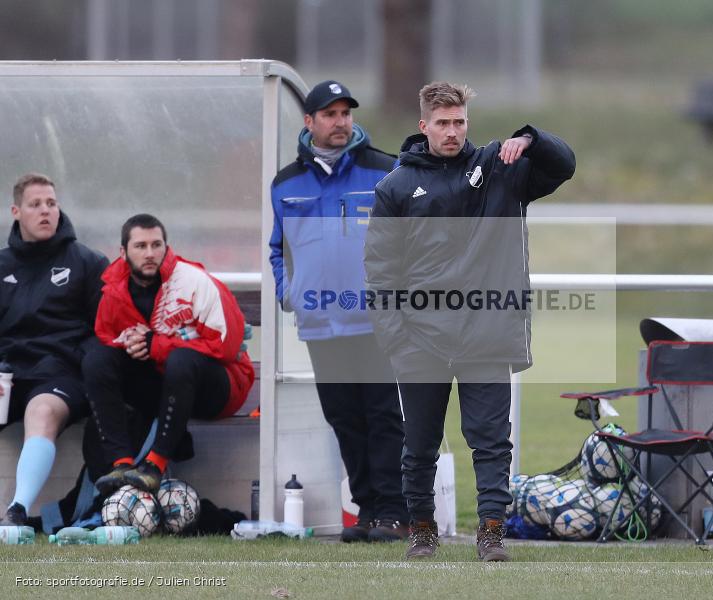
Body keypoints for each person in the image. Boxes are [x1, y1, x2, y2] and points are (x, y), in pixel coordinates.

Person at [365, 82, 576, 561]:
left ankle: (491, 534)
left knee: (491, 443)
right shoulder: (395, 188)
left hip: (486, 334)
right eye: (443, 123)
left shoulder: (501, 169)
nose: (453, 131)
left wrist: (532, 139)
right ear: (424, 126)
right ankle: (422, 530)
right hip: (420, 341)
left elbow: (564, 165)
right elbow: (380, 273)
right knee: (418, 445)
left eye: (459, 122)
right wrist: (397, 340)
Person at [268, 80, 408, 542]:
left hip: (374, 320)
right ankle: (367, 510)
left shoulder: (386, 171)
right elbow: (279, 249)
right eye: (329, 114)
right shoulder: (286, 183)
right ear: (309, 122)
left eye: (346, 113)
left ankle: (392, 510)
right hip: (319, 323)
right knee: (344, 417)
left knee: (383, 413)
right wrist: (290, 292)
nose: (340, 122)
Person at [83, 214, 255, 495]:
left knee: (181, 360)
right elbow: (107, 338)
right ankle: (121, 463)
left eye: (156, 245)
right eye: (140, 246)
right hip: (164, 384)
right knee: (96, 360)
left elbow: (227, 346)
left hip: (220, 387)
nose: (149, 253)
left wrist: (156, 345)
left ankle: (155, 465)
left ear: (166, 246)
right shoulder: (114, 291)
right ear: (123, 252)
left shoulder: (193, 281)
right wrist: (131, 344)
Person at [0, 173, 109, 525]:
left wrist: (82, 363)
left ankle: (16, 511)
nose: (46, 211)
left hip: (60, 373)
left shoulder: (87, 262)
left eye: (51, 203)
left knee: (42, 412)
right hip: (9, 374)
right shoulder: (2, 266)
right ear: (16, 211)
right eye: (35, 205)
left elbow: (105, 330)